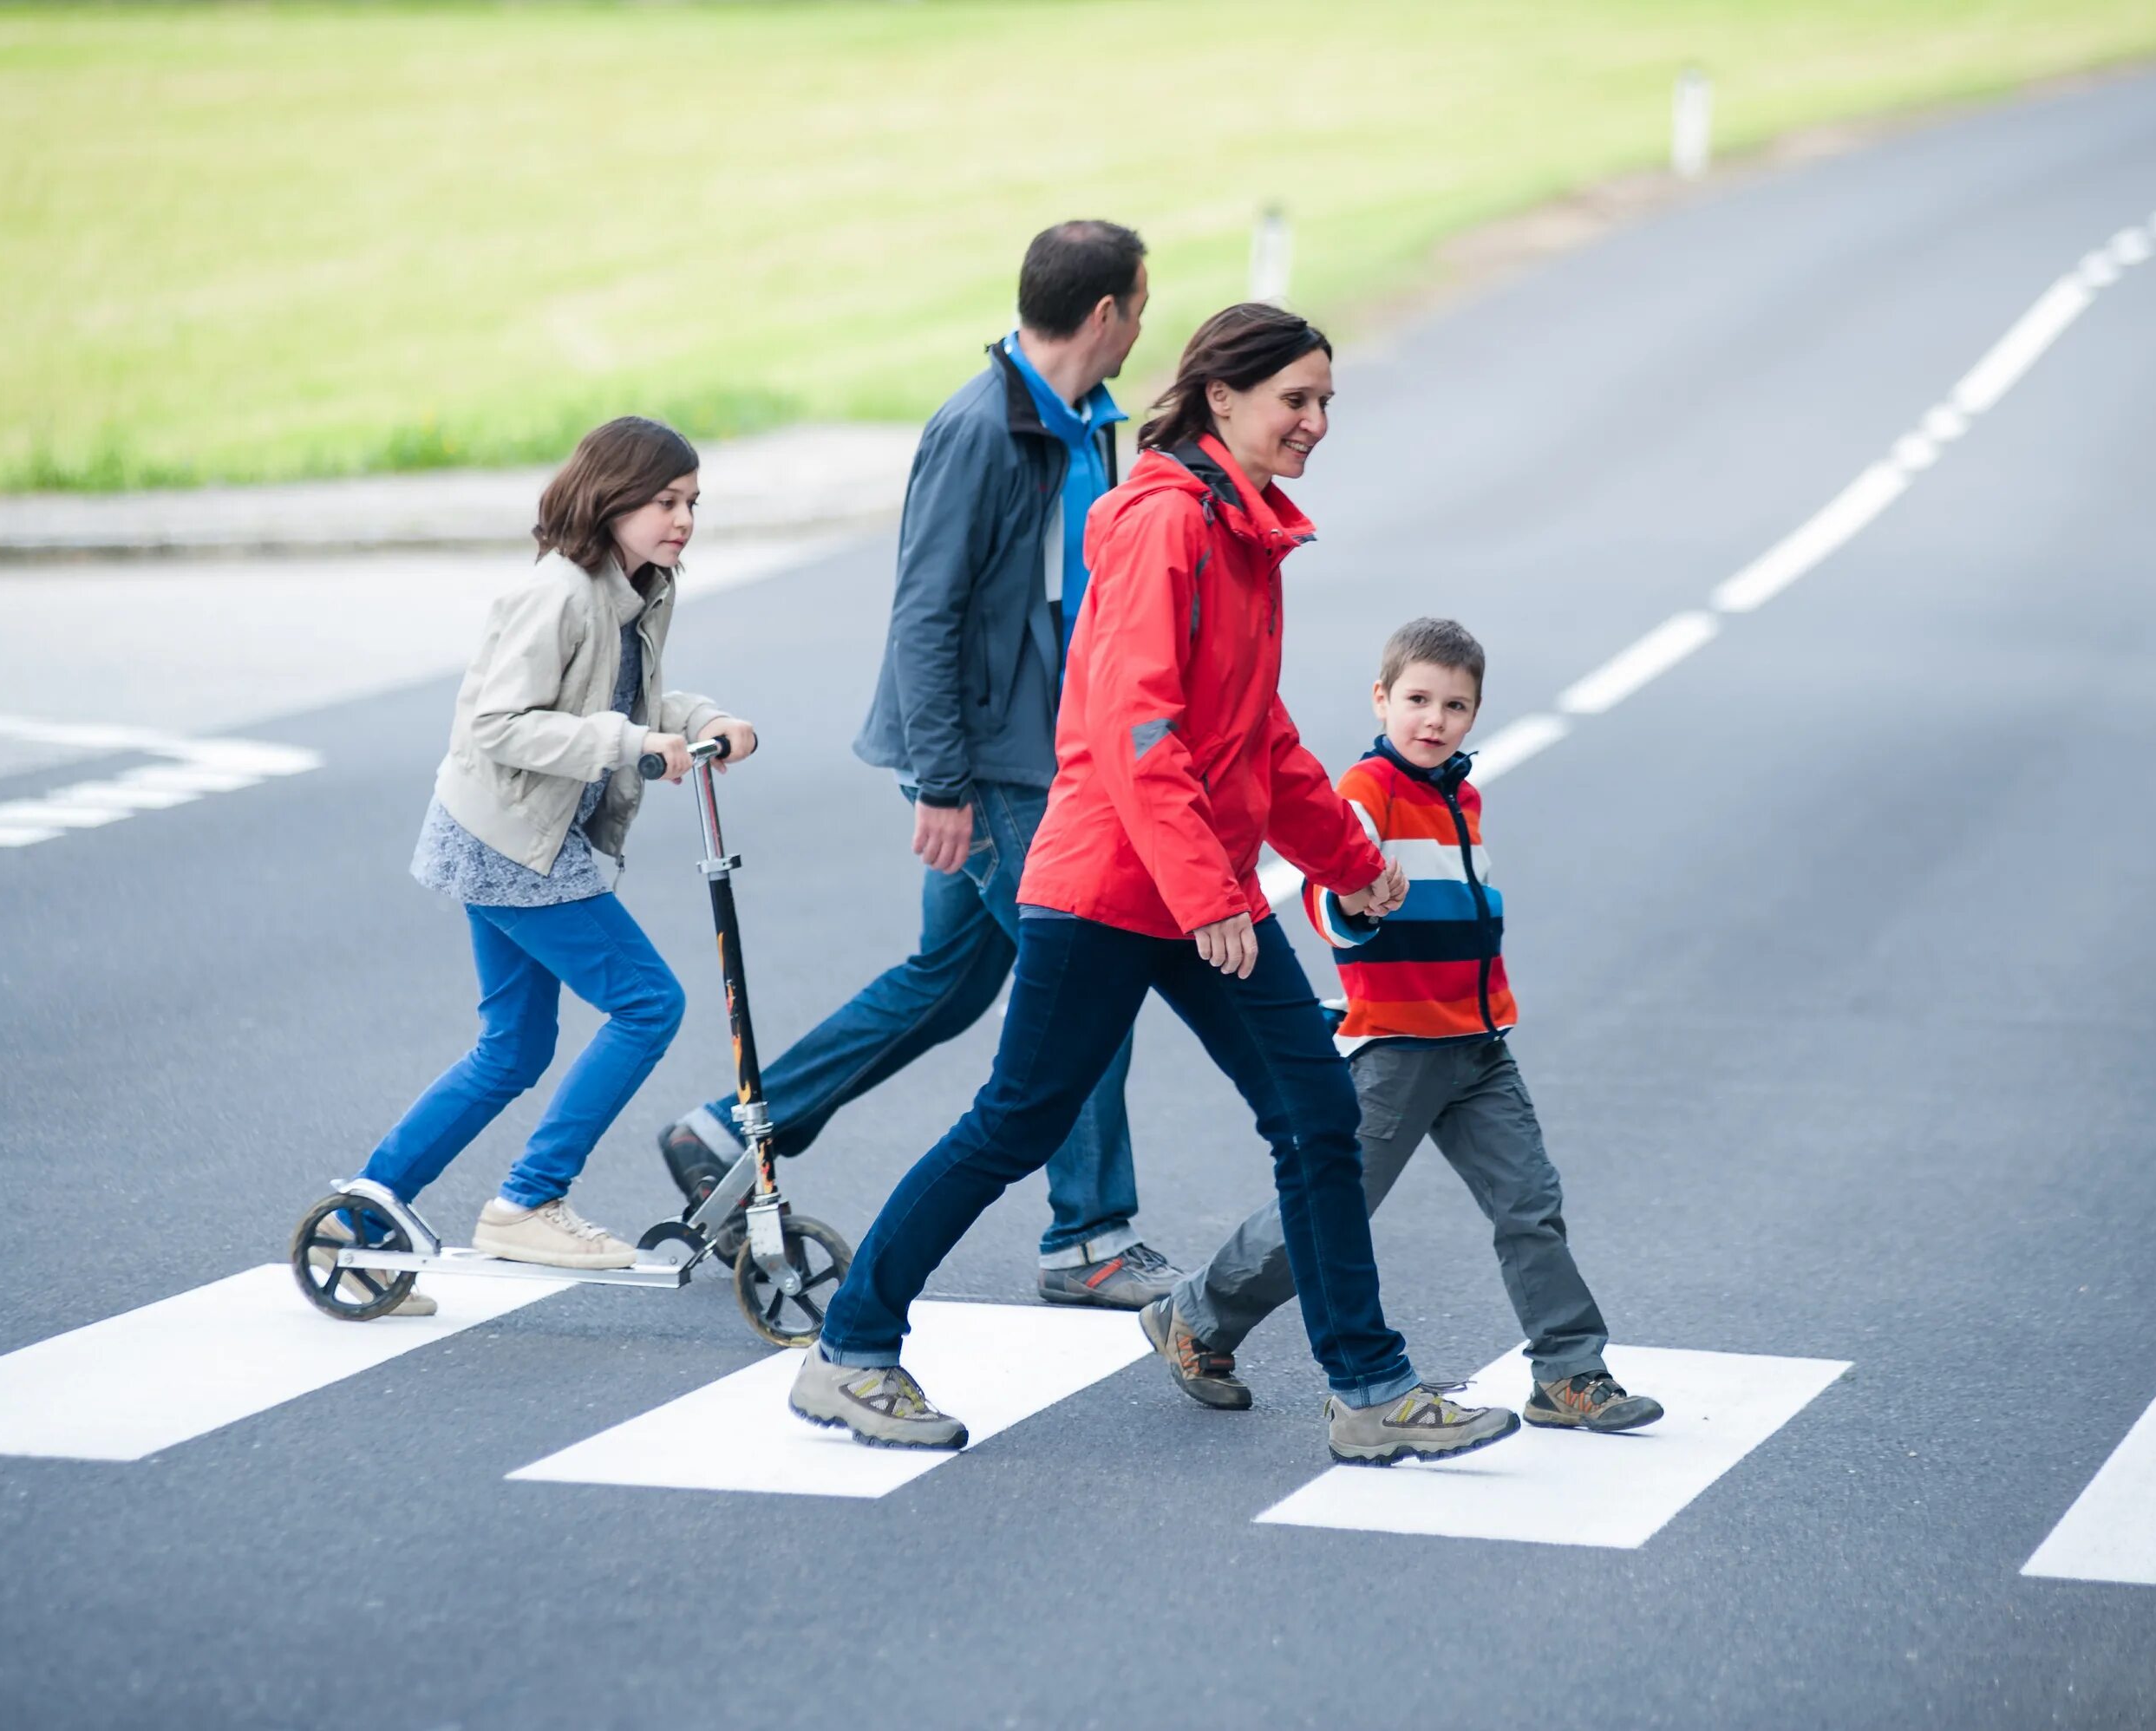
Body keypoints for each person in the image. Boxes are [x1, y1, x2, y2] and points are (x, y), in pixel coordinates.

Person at [787, 304, 1521, 1466]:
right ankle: (852, 1351)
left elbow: (1259, 735)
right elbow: (1139, 730)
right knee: (1016, 1123)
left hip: (1195, 887)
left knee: (1317, 1116)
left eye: (1328, 401)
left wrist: (1355, 864)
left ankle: (1369, 1390)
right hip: (1111, 887)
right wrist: (1212, 899)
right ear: (1222, 398)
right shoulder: (1165, 525)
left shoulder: (1248, 530)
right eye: (1297, 399)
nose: (1318, 423)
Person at [653, 221, 1180, 1310]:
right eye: (1140, 304)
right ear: (1104, 315)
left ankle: (729, 1127)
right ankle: (1089, 1237)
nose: (1143, 323)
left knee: (949, 983)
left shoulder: (1081, 419)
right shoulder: (981, 428)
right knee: (1085, 978)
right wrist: (943, 784)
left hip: (1046, 749)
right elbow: (927, 611)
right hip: (997, 764)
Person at [1143, 617, 1665, 1433]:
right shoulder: (1366, 792)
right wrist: (1351, 902)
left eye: (1456, 706)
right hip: (1395, 1046)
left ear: (1475, 714)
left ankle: (1568, 1370)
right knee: (1326, 1213)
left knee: (1530, 1204)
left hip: (1479, 1044)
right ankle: (1199, 1317)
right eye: (1418, 700)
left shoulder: (1462, 794)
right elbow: (1328, 895)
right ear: (1381, 699)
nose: (1434, 720)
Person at [314, 416, 757, 1316]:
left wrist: (703, 718)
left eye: (692, 503)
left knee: (512, 1047)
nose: (683, 520)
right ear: (613, 498)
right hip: (512, 840)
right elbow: (498, 723)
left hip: (530, 838)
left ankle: (359, 1226)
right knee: (649, 1002)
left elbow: (630, 694)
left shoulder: (645, 585)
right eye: (666, 501)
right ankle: (529, 1198)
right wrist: (634, 745)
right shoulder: (558, 593)